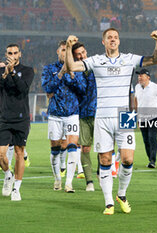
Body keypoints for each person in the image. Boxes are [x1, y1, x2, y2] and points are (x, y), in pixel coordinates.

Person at [65, 28, 157, 215]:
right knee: (105, 159)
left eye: (116, 37)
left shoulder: (129, 59)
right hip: (102, 115)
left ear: (119, 41)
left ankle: (122, 194)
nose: (113, 40)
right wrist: (69, 47)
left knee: (127, 159)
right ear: (103, 42)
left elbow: (156, 59)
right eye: (109, 37)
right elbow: (71, 67)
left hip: (124, 115)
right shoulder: (95, 61)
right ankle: (109, 202)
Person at [41, 40, 86, 193]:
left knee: (73, 147)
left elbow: (82, 90)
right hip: (55, 114)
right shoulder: (49, 69)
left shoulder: (78, 69)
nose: (64, 53)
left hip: (72, 113)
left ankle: (69, 183)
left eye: (67, 51)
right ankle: (57, 179)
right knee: (55, 150)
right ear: (57, 51)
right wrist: (61, 73)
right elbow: (47, 87)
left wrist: (72, 74)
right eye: (62, 50)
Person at [0, 43, 34, 201]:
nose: (13, 55)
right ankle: (8, 175)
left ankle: (16, 189)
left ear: (20, 54)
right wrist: (4, 74)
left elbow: (23, 89)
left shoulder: (28, 71)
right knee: (0, 154)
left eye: (15, 53)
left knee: (19, 153)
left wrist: (13, 73)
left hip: (21, 119)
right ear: (6, 54)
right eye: (10, 52)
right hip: (4, 118)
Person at [72, 42, 97, 191]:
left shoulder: (96, 66)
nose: (82, 56)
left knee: (104, 148)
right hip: (84, 114)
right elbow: (80, 89)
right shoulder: (76, 73)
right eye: (78, 55)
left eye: (83, 52)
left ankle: (102, 173)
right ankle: (89, 181)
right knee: (85, 148)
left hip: (100, 113)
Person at [134, 68, 157, 168]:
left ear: (148, 77)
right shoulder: (137, 87)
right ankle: (150, 159)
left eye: (141, 75)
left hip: (153, 118)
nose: (139, 77)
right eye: (138, 76)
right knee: (146, 140)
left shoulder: (155, 87)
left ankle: (152, 161)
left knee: (152, 138)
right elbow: (136, 100)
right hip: (142, 119)